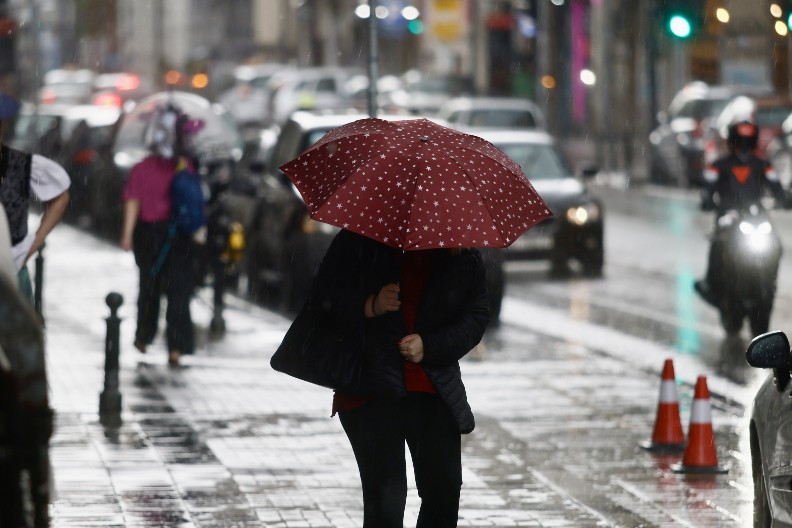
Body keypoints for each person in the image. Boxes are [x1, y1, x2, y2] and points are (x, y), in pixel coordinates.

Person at [307, 228, 490, 527]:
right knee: (386, 500)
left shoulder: (459, 250)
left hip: (432, 388)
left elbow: (476, 315)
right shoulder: (360, 237)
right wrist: (370, 304)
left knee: (443, 492)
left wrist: (430, 345)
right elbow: (323, 297)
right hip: (370, 387)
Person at [120, 103, 202, 367]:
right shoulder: (185, 166)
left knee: (149, 286)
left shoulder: (141, 168)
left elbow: (132, 201)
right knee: (179, 292)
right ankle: (176, 348)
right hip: (179, 236)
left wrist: (127, 234)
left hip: (149, 234)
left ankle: (144, 336)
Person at [694, 120, 789, 306]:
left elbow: (777, 188)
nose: (744, 147)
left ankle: (770, 279)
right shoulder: (718, 165)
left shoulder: (764, 166)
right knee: (718, 244)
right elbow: (707, 187)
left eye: (748, 141)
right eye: (741, 141)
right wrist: (707, 200)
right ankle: (711, 284)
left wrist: (786, 198)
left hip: (756, 217)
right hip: (728, 218)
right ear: (733, 141)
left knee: (775, 244)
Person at [0, 93, 71, 301]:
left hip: (10, 269)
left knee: (14, 331)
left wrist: (35, 241)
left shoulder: (20, 163)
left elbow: (60, 197)